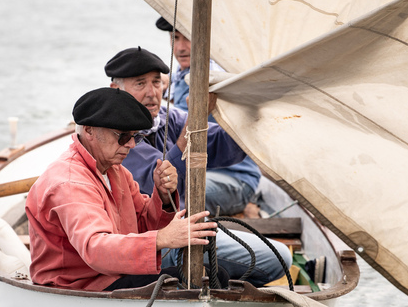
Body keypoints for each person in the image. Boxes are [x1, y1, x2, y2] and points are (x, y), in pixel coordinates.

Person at [105, 46, 292, 286]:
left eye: (156, 82)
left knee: (272, 258)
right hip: (157, 244)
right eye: (140, 84)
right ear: (116, 90)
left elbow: (222, 146)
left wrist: (248, 107)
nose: (152, 92)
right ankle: (213, 290)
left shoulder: (166, 117)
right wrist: (195, 118)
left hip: (185, 230)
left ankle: (212, 289)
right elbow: (168, 179)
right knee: (280, 258)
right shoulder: (117, 136)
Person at [25, 87, 225, 291]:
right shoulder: (70, 182)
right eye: (122, 136)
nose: (130, 144)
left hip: (111, 274)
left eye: (135, 137)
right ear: (89, 130)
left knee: (216, 275)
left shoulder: (116, 170)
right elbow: (95, 248)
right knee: (206, 280)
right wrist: (162, 238)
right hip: (79, 285)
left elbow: (141, 223)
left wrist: (163, 196)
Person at [157, 16, 262, 217]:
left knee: (177, 196)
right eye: (174, 38)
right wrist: (163, 83)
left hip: (235, 178)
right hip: (203, 173)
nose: (180, 47)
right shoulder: (183, 75)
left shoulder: (211, 78)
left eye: (187, 38)